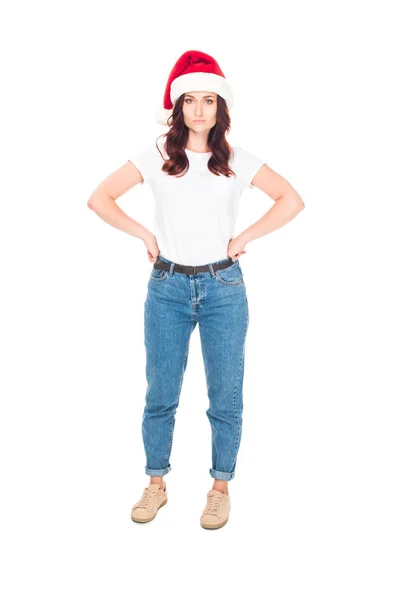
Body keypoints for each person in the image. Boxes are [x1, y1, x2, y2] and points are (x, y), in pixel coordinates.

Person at [87, 49, 305, 529]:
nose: (200, 110)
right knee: (161, 392)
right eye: (191, 100)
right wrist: (144, 233)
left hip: (223, 286)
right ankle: (155, 485)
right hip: (166, 285)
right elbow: (98, 197)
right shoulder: (159, 155)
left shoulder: (237, 161)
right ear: (179, 106)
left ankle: (219, 488)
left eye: (209, 100)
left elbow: (292, 199)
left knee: (225, 395)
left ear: (220, 108)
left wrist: (243, 237)